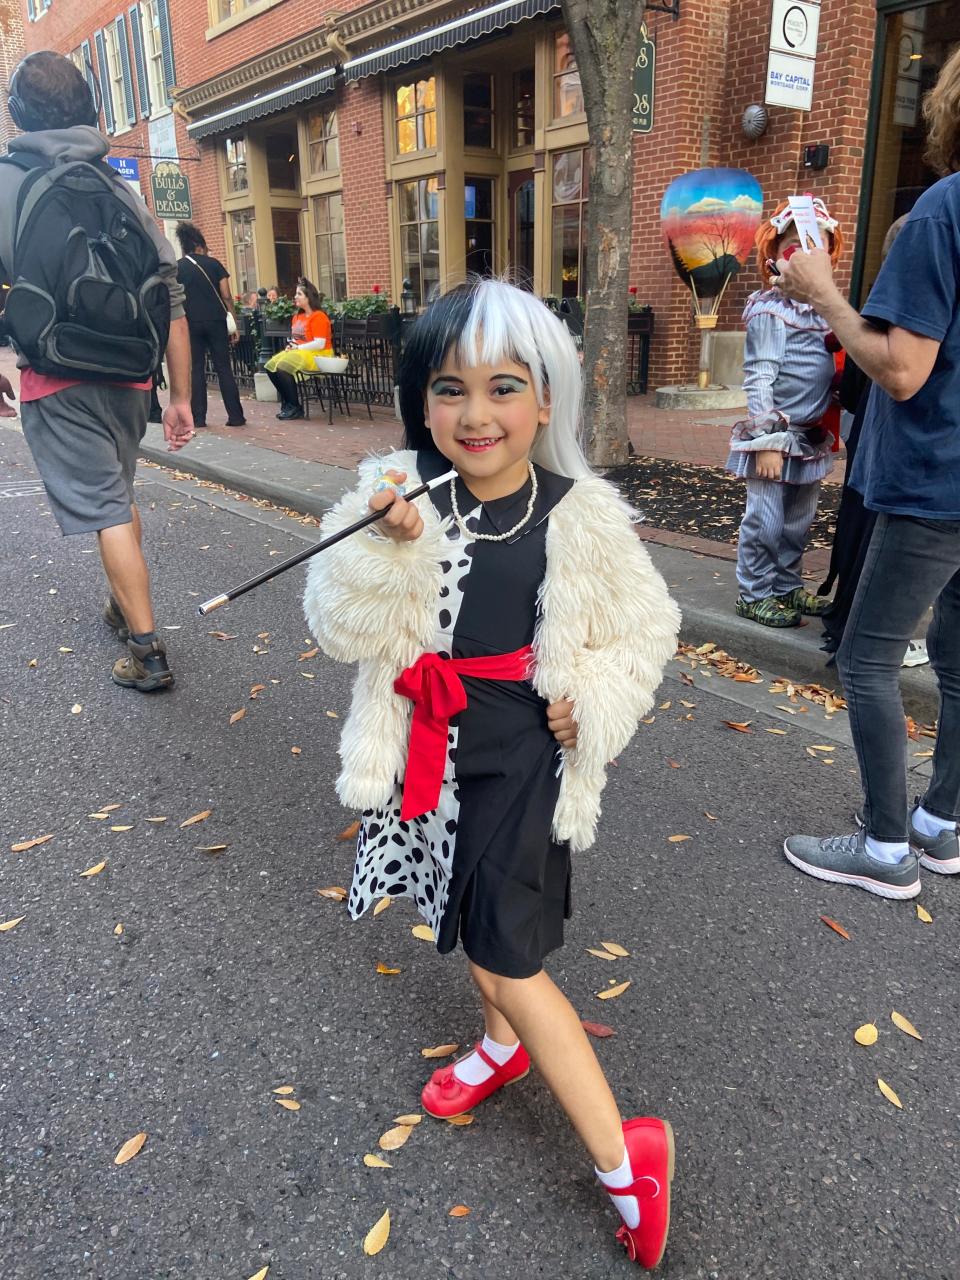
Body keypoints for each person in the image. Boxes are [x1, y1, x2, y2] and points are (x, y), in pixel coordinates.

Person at [303, 279, 681, 1269]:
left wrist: (592, 692)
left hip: (525, 755)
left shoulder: (581, 517)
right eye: (449, 388)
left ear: (545, 399)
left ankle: (623, 1157)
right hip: (431, 747)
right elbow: (338, 626)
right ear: (421, 401)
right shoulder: (396, 496)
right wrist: (383, 549)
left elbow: (647, 631)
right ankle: (502, 1043)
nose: (476, 414)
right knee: (466, 913)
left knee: (509, 954)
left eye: (504, 386)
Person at [779, 44, 960, 898]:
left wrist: (822, 291)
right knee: (958, 664)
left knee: (867, 658)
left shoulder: (939, 214)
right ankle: (940, 823)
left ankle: (886, 848)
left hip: (936, 485)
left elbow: (900, 369)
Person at [0, 51, 193, 691]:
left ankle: (147, 651)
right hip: (132, 377)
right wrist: (181, 396)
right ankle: (122, 598)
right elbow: (170, 294)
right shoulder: (116, 186)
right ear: (91, 110)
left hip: (59, 376)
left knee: (107, 505)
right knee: (120, 493)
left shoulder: (7, 183)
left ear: (17, 115)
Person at [725, 198, 844, 628]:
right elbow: (759, 378)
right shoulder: (771, 310)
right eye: (794, 248)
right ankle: (753, 592)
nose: (805, 258)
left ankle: (785, 585)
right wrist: (767, 443)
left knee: (798, 520)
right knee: (766, 519)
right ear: (773, 257)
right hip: (777, 438)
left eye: (817, 249)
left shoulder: (825, 311)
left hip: (810, 437)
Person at [817, 216, 927, 669]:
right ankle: (863, 636)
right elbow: (898, 377)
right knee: (868, 662)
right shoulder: (911, 308)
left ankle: (850, 624)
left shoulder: (878, 310)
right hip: (904, 459)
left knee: (862, 526)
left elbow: (858, 389)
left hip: (878, 449)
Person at [175, 221, 245, 429]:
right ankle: (235, 416)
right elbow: (226, 295)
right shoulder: (214, 264)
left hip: (191, 322)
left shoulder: (178, 267)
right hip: (216, 321)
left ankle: (198, 418)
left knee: (196, 369)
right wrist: (233, 321)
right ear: (199, 246)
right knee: (224, 367)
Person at [263, 278, 332, 420]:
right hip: (301, 351)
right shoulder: (297, 317)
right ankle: (287, 403)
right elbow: (297, 338)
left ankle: (295, 407)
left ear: (309, 298)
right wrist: (292, 344)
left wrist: (298, 347)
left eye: (299, 294)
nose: (295, 297)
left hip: (319, 354)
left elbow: (319, 343)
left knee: (282, 367)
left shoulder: (319, 317)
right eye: (296, 294)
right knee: (270, 367)